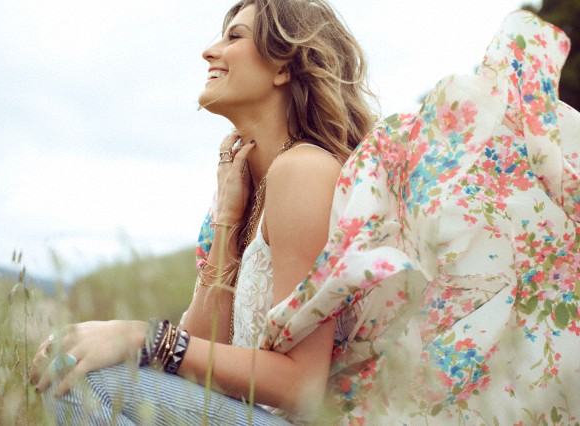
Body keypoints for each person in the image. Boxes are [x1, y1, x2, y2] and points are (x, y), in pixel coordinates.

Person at [29, 0, 375, 424]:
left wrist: (138, 335)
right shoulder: (249, 182)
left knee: (85, 380)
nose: (209, 51)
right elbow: (202, 348)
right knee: (71, 365)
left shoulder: (304, 171)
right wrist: (228, 224)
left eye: (235, 37)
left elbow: (301, 385)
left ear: (283, 67)